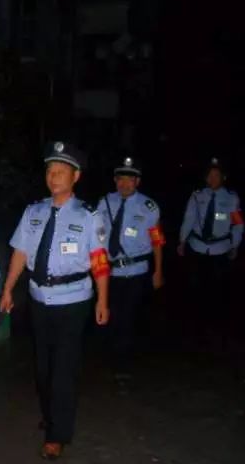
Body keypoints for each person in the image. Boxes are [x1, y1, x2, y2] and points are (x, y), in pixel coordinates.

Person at [0, 141, 110, 460]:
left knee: (63, 368)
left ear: (76, 176)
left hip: (74, 300)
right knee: (43, 367)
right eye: (50, 170)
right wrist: (8, 289)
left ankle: (57, 433)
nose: (54, 176)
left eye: (61, 171)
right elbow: (20, 253)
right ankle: (51, 414)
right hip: (39, 298)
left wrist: (102, 300)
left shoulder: (89, 216)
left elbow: (100, 260)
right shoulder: (33, 212)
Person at [97, 157, 165, 377]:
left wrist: (158, 271)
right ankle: (112, 356)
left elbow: (157, 241)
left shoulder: (148, 207)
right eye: (121, 179)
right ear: (115, 180)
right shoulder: (105, 203)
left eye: (130, 179)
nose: (124, 184)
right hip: (110, 272)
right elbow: (96, 237)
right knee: (110, 316)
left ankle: (123, 366)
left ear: (137, 181)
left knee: (127, 318)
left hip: (136, 272)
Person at [177, 157, 244, 340]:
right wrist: (182, 241)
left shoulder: (231, 198)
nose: (212, 179)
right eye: (210, 175)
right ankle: (194, 327)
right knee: (195, 288)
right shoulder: (197, 195)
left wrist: (235, 245)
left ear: (223, 177)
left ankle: (215, 328)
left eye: (216, 175)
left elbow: (238, 224)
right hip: (197, 247)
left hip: (220, 250)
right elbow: (189, 218)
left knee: (217, 291)